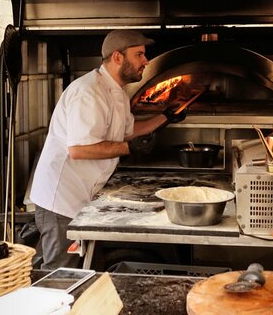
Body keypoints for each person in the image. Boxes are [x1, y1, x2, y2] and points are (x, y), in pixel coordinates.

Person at [29, 29, 186, 269]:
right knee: (63, 272)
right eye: (139, 55)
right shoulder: (88, 92)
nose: (145, 61)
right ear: (117, 57)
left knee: (85, 268)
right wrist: (128, 148)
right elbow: (79, 149)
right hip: (60, 200)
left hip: (83, 196)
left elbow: (127, 132)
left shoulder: (118, 92)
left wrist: (165, 117)